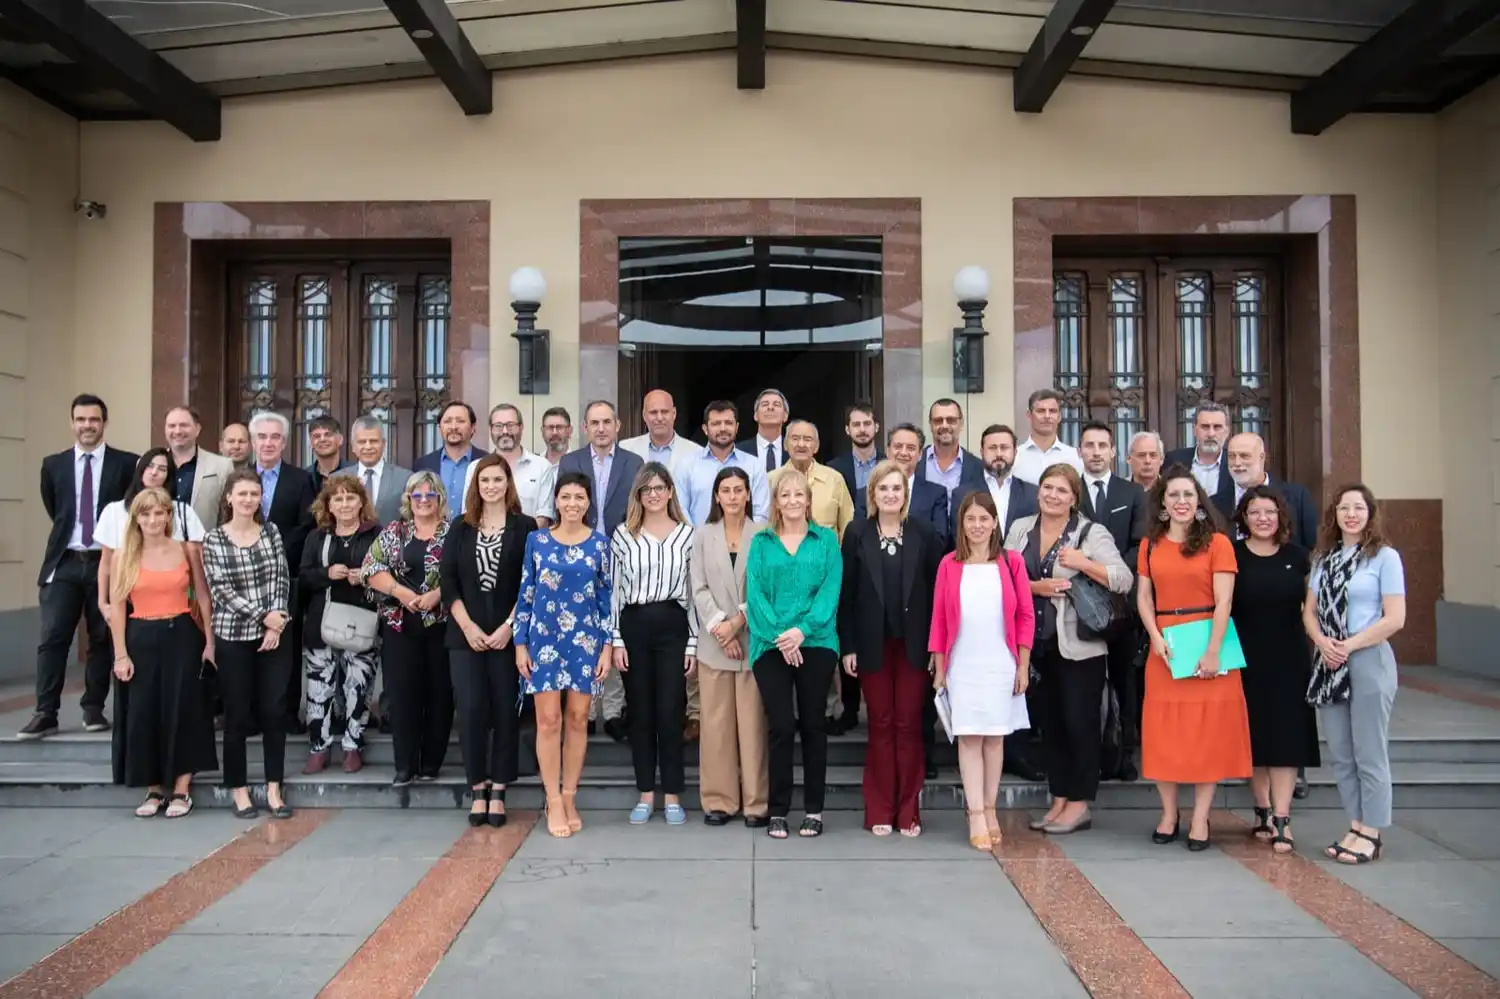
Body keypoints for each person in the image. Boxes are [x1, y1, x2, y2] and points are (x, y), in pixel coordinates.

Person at [1007, 463, 1132, 836]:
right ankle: (1058, 799)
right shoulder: (1020, 529)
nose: (1052, 495)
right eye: (1047, 487)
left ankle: (1079, 805)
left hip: (1079, 649)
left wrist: (1084, 563)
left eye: (1062, 490)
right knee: (1052, 727)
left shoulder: (1090, 532)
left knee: (1080, 725)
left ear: (1074, 497)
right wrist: (1036, 588)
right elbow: (1003, 576)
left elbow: (1123, 579)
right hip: (1036, 645)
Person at [1137, 466, 1251, 851]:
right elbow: (1143, 597)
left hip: (1207, 641)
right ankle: (1169, 813)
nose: (1181, 502)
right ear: (1163, 504)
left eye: (1188, 495)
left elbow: (1224, 601)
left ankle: (1201, 815)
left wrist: (1213, 650)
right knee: (1164, 734)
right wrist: (1154, 636)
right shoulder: (1149, 544)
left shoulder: (1217, 543)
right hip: (1166, 647)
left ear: (1198, 502)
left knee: (1207, 735)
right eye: (1173, 496)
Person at [23, 393, 138, 741]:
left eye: (94, 420)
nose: (87, 426)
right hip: (66, 563)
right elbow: (56, 509)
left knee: (102, 637)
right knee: (53, 637)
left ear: (104, 423)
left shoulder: (126, 463)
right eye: (81, 420)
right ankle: (46, 712)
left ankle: (93, 708)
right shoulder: (53, 465)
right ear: (72, 423)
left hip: (108, 562)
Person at [1304, 484, 1406, 865]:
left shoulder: (1384, 558)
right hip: (1329, 662)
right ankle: (1356, 823)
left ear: (1370, 513)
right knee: (1342, 754)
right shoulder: (1323, 559)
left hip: (1367, 659)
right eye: (1344, 507)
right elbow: (1309, 612)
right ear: (1335, 514)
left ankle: (1373, 832)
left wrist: (1349, 644)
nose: (1351, 514)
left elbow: (1395, 618)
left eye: (1358, 507)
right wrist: (1323, 642)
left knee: (1369, 751)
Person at [838, 460, 941, 836]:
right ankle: (879, 809)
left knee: (908, 725)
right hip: (872, 646)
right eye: (884, 488)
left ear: (906, 494)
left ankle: (908, 810)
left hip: (914, 647)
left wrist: (936, 647)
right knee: (880, 724)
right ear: (873, 494)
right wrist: (847, 646)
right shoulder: (856, 533)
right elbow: (846, 596)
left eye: (897, 488)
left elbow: (935, 594)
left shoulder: (924, 533)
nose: (891, 495)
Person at [933, 491, 1036, 850]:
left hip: (1000, 662)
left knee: (994, 738)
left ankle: (990, 807)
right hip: (962, 662)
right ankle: (975, 812)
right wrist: (940, 668)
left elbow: (1025, 614)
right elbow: (939, 621)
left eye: (984, 519)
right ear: (961, 523)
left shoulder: (1012, 563)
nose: (977, 526)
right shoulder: (949, 564)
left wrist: (1022, 665)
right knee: (969, 737)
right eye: (970, 519)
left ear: (995, 522)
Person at [107, 488, 216, 819]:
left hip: (182, 634)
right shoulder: (123, 555)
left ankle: (182, 788)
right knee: (144, 713)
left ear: (169, 516)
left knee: (184, 708)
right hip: (140, 637)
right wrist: (120, 654)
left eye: (159, 513)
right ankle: (154, 788)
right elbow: (117, 607)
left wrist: (210, 642)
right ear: (136, 518)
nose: (153, 519)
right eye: (146, 513)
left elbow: (203, 597)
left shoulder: (187, 549)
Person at [514, 471, 613, 838]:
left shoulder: (600, 545)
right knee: (548, 720)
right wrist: (519, 643)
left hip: (585, 640)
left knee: (578, 717)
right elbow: (525, 592)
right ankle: (551, 797)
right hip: (543, 638)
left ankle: (570, 794)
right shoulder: (536, 541)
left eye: (580, 497)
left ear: (589, 503)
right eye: (566, 496)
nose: (572, 503)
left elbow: (606, 599)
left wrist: (606, 647)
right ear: (556, 500)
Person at [745, 467, 842, 840]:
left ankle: (814, 809)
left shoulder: (826, 540)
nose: (792, 502)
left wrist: (801, 631)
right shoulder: (762, 543)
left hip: (816, 642)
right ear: (776, 502)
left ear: (809, 500)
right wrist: (781, 637)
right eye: (784, 496)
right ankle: (779, 809)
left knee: (814, 724)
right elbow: (755, 596)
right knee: (782, 725)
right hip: (770, 645)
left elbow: (830, 591)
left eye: (799, 495)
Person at [442, 454, 538, 828]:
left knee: (504, 713)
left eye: (498, 480)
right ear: (476, 487)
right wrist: (467, 627)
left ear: (508, 484)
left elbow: (530, 582)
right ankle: (477, 787)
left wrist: (510, 628)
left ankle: (499, 790)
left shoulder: (525, 527)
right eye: (485, 481)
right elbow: (448, 581)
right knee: (470, 713)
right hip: (465, 637)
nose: (492, 487)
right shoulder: (460, 527)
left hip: (507, 638)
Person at [201, 468, 294, 820]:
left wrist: (277, 620)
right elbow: (220, 590)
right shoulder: (214, 539)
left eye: (254, 494)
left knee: (274, 711)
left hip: (274, 636)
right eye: (242, 494)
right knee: (237, 715)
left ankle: (274, 787)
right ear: (229, 498)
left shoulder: (270, 531)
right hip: (234, 636)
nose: (248, 500)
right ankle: (238, 788)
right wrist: (262, 616)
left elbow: (281, 577)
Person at [1232, 486, 1319, 853]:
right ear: (1244, 518)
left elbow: (1311, 609)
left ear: (1281, 517)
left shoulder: (1298, 557)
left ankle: (1283, 819)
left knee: (1286, 739)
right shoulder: (1231, 555)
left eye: (1269, 512)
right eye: (1254, 512)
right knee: (1254, 739)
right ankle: (1262, 811)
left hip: (1289, 658)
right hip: (1244, 658)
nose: (1262, 518)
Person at [611, 463, 698, 826]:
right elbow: (614, 592)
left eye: (660, 487)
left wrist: (692, 643)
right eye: (647, 489)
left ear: (670, 492)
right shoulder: (623, 536)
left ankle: (673, 793)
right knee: (641, 712)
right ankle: (646, 791)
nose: (654, 494)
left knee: (669, 711)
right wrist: (616, 639)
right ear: (638, 495)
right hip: (634, 625)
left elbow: (694, 593)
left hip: (673, 625)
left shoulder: (688, 536)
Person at [690, 467, 770, 828]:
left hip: (754, 643)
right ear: (717, 496)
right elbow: (698, 586)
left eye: (739, 490)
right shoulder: (703, 536)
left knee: (752, 728)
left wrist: (738, 624)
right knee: (716, 727)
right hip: (714, 645)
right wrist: (722, 629)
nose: (734, 496)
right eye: (726, 490)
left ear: (749, 495)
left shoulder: (764, 535)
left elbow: (767, 587)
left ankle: (756, 803)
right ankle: (719, 801)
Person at [362, 471, 454, 785]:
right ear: (409, 500)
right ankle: (405, 764)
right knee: (402, 696)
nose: (424, 500)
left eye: (430, 495)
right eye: (418, 495)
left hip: (443, 626)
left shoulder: (454, 533)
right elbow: (371, 568)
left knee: (440, 696)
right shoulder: (395, 532)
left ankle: (431, 763)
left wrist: (437, 594)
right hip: (400, 626)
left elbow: (465, 572)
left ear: (440, 498)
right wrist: (402, 593)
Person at [298, 474, 381, 775]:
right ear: (328, 505)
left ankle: (352, 746)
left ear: (361, 502)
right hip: (322, 624)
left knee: (358, 686)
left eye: (350, 498)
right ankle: (319, 748)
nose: (345, 504)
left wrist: (366, 577)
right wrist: (326, 573)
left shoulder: (377, 535)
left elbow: (390, 576)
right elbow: (303, 578)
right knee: (319, 690)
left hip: (362, 622)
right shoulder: (317, 537)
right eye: (338, 498)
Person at [96, 449, 208, 620]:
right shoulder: (114, 511)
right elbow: (106, 562)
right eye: (149, 466)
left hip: (177, 604)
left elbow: (198, 560)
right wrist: (103, 602)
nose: (154, 472)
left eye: (162, 469)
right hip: (127, 601)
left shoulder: (183, 512)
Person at [680, 399, 772, 528]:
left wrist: (746, 541)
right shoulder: (687, 465)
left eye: (728, 423)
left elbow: (761, 514)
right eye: (716, 424)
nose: (723, 428)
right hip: (698, 545)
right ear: (705, 429)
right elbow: (681, 510)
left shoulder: (754, 465)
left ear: (737, 427)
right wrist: (698, 541)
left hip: (746, 545)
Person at [464, 404, 551, 518]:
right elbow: (469, 513)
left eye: (510, 425)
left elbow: (544, 516)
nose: (505, 431)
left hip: (529, 535)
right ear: (490, 429)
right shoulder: (475, 467)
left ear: (521, 427)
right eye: (498, 426)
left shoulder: (542, 467)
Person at [164, 405, 235, 535]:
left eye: (184, 425)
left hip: (205, 547)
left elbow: (228, 514)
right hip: (160, 548)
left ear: (197, 429)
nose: (178, 431)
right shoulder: (151, 466)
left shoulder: (222, 466)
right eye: (172, 426)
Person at [413, 401, 486, 518]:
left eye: (460, 421)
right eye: (447, 421)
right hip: (434, 533)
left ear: (473, 427)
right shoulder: (423, 464)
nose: (453, 427)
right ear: (439, 427)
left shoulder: (486, 462)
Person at [621, 389, 699, 483]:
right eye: (653, 412)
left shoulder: (696, 452)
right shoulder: (626, 448)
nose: (659, 418)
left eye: (664, 412)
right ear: (644, 416)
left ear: (674, 414)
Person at [348, 416, 413, 525]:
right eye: (362, 442)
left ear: (383, 444)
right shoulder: (338, 478)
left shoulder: (405, 478)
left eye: (373, 441)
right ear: (353, 446)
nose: (368, 447)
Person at [827, 401, 882, 530]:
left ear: (877, 427)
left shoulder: (889, 465)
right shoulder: (833, 468)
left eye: (867, 424)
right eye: (856, 425)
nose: (862, 429)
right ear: (847, 429)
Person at [1011, 389, 1084, 485]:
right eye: (1041, 411)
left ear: (1059, 417)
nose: (1047, 416)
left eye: (1052, 411)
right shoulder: (1015, 458)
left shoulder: (1075, 457)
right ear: (1029, 415)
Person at [736, 388, 791, 470]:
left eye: (776, 405)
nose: (770, 407)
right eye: (765, 404)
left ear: (785, 416)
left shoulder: (794, 450)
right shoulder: (738, 451)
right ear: (755, 415)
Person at [305, 415, 346, 495]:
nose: (322, 439)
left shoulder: (355, 473)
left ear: (340, 439)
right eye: (317, 436)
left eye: (328, 434)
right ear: (311, 442)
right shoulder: (304, 477)